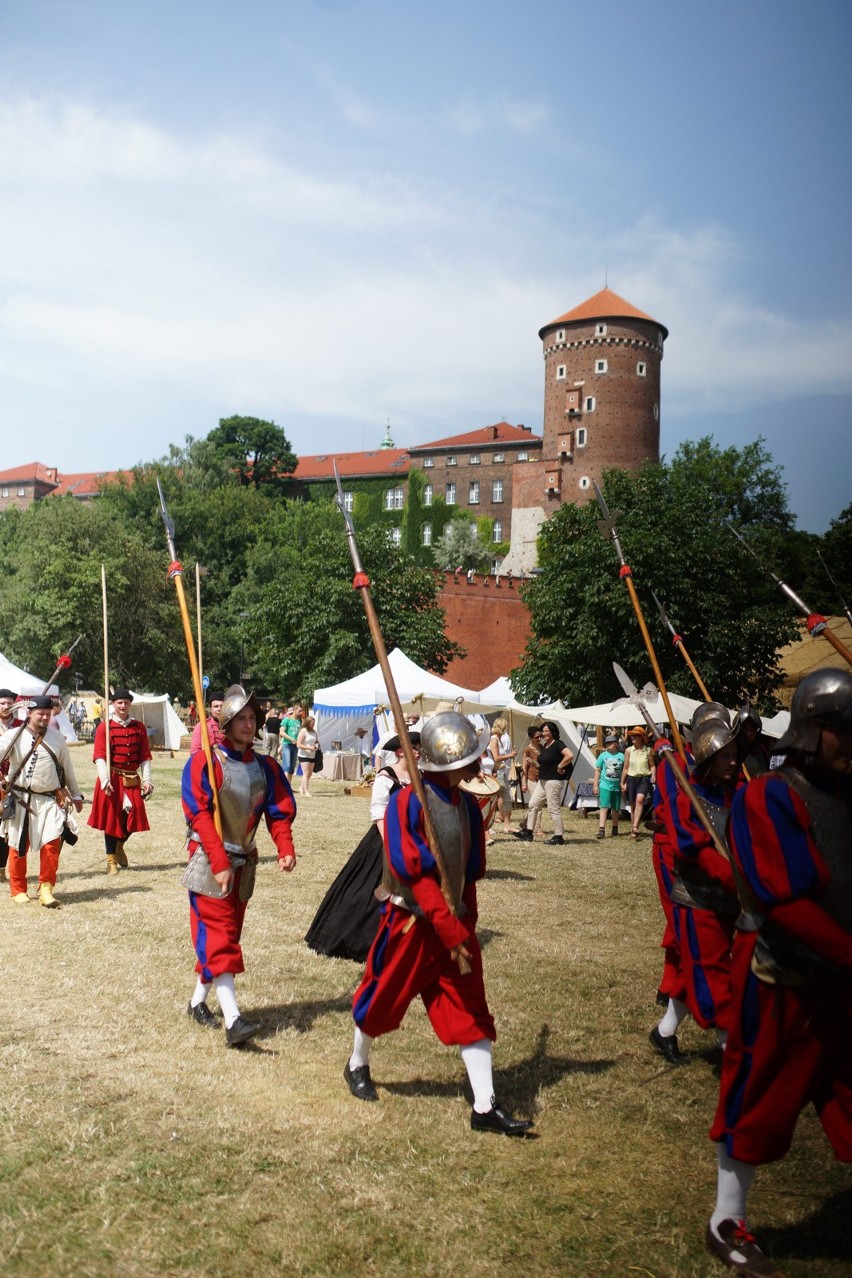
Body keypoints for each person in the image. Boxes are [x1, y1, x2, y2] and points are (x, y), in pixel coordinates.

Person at [706, 668, 852, 1277]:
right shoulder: (769, 796)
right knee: (759, 1094)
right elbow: (786, 900)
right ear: (817, 731)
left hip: (838, 983)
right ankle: (726, 1220)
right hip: (779, 977)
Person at [344, 712, 533, 1136]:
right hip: (411, 923)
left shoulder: (466, 804)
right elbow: (413, 870)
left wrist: (464, 921)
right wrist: (445, 924)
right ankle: (358, 1062)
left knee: (470, 1007)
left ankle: (484, 1104)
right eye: (469, 759)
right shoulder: (407, 803)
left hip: (454, 927)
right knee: (382, 999)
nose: (476, 765)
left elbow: (470, 870)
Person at [181, 684, 297, 1047]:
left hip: (244, 861)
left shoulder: (266, 767)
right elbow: (198, 815)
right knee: (218, 937)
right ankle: (233, 1021)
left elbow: (278, 812)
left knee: (225, 937)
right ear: (226, 724)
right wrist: (218, 861)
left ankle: (197, 1002)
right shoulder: (206, 762)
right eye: (241, 719)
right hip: (209, 860)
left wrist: (285, 847)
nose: (249, 724)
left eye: (253, 718)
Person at [650, 708, 740, 1064]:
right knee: (714, 977)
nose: (734, 762)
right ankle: (735, 1055)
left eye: (736, 755)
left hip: (728, 901)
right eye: (727, 756)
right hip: (698, 898)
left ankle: (664, 1031)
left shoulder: (733, 795)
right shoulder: (685, 789)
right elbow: (689, 845)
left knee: (696, 967)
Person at [305, 732, 421, 961]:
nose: (418, 752)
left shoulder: (419, 776)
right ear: (400, 751)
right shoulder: (386, 776)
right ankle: (359, 941)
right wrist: (392, 845)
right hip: (385, 838)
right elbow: (378, 813)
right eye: (414, 747)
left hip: (413, 839)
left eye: (419, 748)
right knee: (368, 892)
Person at [0, 696, 83, 907]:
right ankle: (18, 888)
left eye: (48, 713)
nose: (45, 717)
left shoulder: (57, 738)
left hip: (48, 800)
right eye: (41, 713)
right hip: (20, 799)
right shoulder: (13, 735)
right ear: (30, 713)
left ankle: (46, 888)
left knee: (51, 844)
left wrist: (76, 794)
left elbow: (67, 769)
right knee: (18, 846)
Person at [88, 689, 153, 874]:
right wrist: (104, 779)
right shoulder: (104, 728)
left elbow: (145, 756)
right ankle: (111, 862)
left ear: (130, 704)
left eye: (125, 702)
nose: (122, 706)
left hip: (131, 777)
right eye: (119, 703)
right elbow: (100, 756)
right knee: (112, 818)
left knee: (136, 813)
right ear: (113, 705)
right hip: (112, 777)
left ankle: (119, 845)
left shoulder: (139, 727)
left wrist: (147, 780)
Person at [514, 721, 573, 845]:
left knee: (553, 809)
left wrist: (560, 766)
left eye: (547, 731)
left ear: (552, 732)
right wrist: (533, 763)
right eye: (543, 731)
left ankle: (558, 837)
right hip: (543, 781)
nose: (544, 733)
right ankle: (528, 832)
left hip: (553, 781)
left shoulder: (558, 744)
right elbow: (544, 763)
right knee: (533, 804)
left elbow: (570, 755)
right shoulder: (545, 745)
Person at [621, 726, 655, 839]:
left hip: (644, 779)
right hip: (631, 778)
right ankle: (634, 829)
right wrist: (622, 782)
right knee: (633, 805)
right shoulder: (628, 750)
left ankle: (635, 825)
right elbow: (625, 768)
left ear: (641, 737)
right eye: (631, 736)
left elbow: (652, 765)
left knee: (640, 800)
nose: (632, 737)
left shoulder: (649, 750)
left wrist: (653, 775)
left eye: (635, 736)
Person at [487, 717, 516, 834]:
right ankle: (488, 827)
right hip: (497, 773)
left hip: (501, 772)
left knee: (506, 798)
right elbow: (496, 757)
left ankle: (506, 825)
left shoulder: (498, 739)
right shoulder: (494, 739)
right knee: (495, 799)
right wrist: (510, 755)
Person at [0, 687, 17, 882]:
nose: (5, 706)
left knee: (8, 825)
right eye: (2, 703)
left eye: (9, 703)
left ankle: (2, 867)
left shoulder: (22, 726)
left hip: (13, 784)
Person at [594, 733, 625, 838]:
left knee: (615, 809)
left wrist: (623, 783)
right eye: (607, 743)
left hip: (616, 787)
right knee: (604, 807)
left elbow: (625, 771)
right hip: (604, 785)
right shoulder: (602, 756)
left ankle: (615, 828)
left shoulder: (622, 756)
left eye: (611, 742)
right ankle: (601, 829)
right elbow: (598, 770)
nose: (608, 744)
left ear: (616, 743)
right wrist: (595, 785)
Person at [519, 726, 543, 836]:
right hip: (532, 779)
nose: (539, 739)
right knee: (537, 805)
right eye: (537, 737)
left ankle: (525, 822)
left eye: (540, 736)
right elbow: (524, 768)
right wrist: (524, 783)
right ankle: (537, 829)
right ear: (531, 738)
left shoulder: (542, 748)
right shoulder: (527, 750)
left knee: (536, 804)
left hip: (541, 779)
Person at [296, 715, 319, 796]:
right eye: (312, 723)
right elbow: (298, 745)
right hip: (303, 754)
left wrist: (316, 745)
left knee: (309, 774)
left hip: (312, 754)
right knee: (306, 773)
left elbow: (316, 741)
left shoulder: (314, 732)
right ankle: (306, 791)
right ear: (307, 723)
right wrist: (309, 747)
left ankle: (301, 787)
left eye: (314, 723)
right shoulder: (303, 731)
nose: (313, 725)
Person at [279, 705, 301, 778]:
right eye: (299, 711)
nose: (301, 713)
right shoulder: (286, 720)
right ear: (294, 710)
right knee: (287, 765)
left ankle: (288, 785)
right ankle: (285, 785)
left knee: (292, 766)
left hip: (295, 746)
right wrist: (292, 739)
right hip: (287, 745)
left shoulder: (299, 721)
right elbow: (281, 732)